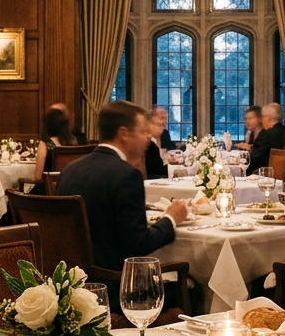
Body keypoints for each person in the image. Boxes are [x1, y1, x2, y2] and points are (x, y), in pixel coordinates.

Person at [56, 101, 188, 270]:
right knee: (194, 285)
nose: (148, 137)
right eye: (143, 131)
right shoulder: (126, 175)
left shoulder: (69, 170)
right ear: (124, 133)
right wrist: (171, 219)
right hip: (115, 282)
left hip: (72, 281)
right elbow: (139, 244)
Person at [33, 107, 76, 182]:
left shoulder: (44, 144)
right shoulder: (73, 143)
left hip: (49, 190)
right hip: (69, 188)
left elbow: (38, 177)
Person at [246, 103, 285, 175]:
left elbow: (253, 158)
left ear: (268, 117)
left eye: (262, 117)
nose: (261, 120)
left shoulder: (266, 134)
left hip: (266, 175)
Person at [143, 106, 170, 180]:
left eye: (166, 119)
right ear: (150, 121)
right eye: (161, 118)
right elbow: (153, 171)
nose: (165, 122)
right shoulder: (147, 144)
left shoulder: (163, 135)